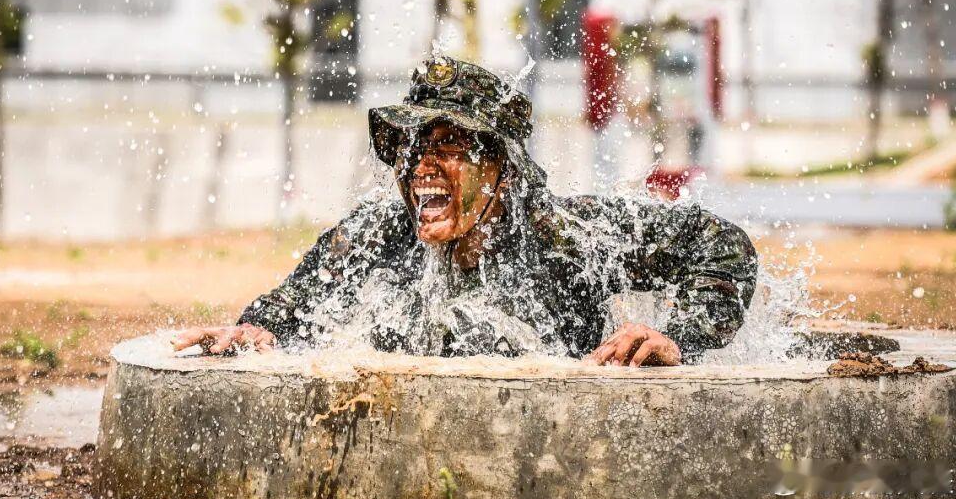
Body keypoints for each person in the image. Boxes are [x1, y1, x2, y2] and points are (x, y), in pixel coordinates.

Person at [174, 57, 757, 366]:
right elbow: (295, 304)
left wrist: (680, 337)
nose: (421, 168)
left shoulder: (565, 236)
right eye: (411, 148)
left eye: (450, 149)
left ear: (502, 170)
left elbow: (723, 246)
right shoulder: (378, 236)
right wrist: (253, 330)